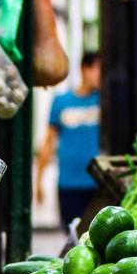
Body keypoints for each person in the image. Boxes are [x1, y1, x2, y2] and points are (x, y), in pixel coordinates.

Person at [35, 51, 101, 226]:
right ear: (84, 69)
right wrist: (39, 181)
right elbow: (49, 141)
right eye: (97, 69)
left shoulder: (106, 101)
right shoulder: (61, 101)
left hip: (99, 184)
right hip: (68, 182)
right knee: (70, 235)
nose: (101, 74)